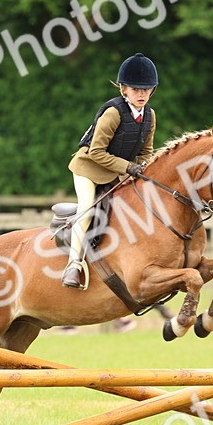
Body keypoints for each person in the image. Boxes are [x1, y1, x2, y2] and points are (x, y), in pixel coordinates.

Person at [62, 53, 159, 289]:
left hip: (117, 172)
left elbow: (146, 151)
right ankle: (73, 265)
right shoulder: (113, 113)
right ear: (123, 89)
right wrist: (128, 167)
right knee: (86, 209)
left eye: (146, 90)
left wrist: (147, 171)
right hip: (88, 168)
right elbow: (96, 152)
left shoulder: (150, 116)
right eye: (136, 89)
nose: (141, 94)